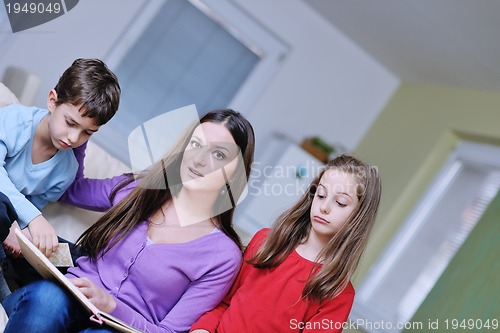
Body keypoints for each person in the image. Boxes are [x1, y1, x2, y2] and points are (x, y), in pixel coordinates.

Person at [2, 109, 255, 333]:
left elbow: (169, 331)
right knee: (48, 300)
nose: (199, 160)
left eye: (219, 154)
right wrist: (77, 138)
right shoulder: (139, 189)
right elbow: (70, 188)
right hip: (63, 298)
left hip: (120, 329)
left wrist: (112, 306)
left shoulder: (223, 255)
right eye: (196, 144)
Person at [190, 154, 382, 333]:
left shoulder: (339, 294)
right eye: (321, 195)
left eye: (340, 202)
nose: (324, 207)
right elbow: (223, 303)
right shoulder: (265, 243)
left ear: (359, 215)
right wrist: (202, 329)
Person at [0, 58, 121, 299]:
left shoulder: (66, 169)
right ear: (52, 101)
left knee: (71, 256)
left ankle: (22, 296)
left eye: (87, 132)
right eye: (70, 123)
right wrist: (31, 219)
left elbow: (34, 203)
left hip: (11, 230)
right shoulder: (16, 121)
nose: (74, 137)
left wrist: (23, 231)